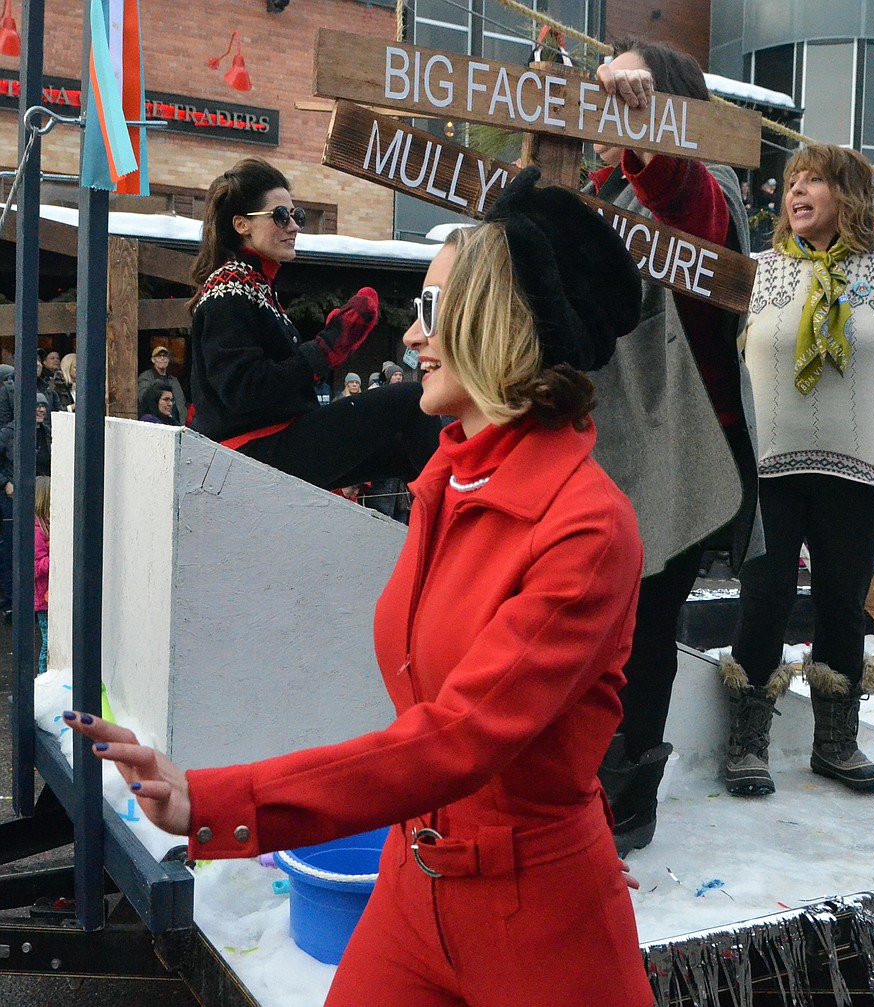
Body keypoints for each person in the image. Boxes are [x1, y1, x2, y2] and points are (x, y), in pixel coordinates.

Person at [63, 167, 654, 1007]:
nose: (413, 336)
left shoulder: (588, 526)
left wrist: (217, 798)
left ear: (501, 326)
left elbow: (455, 738)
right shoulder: (445, 479)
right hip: (415, 886)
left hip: (537, 921)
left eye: (434, 310)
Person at [582, 38, 764, 851]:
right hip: (612, 443)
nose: (614, 94)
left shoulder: (705, 174)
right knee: (594, 622)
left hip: (689, 450)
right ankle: (584, 782)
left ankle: (626, 800)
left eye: (637, 85)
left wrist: (646, 134)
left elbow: (696, 214)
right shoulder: (607, 185)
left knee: (645, 623)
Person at [719, 143, 874, 794]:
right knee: (766, 599)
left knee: (843, 606)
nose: (798, 191)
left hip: (861, 475)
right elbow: (723, 357)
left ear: (852, 195)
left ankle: (837, 745)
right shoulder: (755, 271)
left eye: (815, 180)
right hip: (768, 472)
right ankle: (745, 745)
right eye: (793, 182)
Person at [187, 157, 440, 490]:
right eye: (280, 216)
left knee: (399, 452)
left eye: (297, 216)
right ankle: (468, 526)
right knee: (411, 400)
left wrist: (324, 348)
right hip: (249, 453)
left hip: (269, 444)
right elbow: (243, 391)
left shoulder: (256, 287)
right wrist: (323, 350)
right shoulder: (229, 287)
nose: (293, 226)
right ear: (241, 225)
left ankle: (445, 524)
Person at [0, 393, 52, 621]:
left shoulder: (48, 433)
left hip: (42, 498)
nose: (41, 410)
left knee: (39, 550)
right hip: (14, 498)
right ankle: (12, 603)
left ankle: (35, 603)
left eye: (44, 406)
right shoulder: (9, 432)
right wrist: (5, 482)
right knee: (14, 549)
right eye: (37, 405)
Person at [137, 346, 187, 425]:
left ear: (168, 360)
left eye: (165, 356)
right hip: (157, 423)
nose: (162, 359)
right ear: (153, 360)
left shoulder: (174, 380)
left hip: (176, 423)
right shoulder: (145, 377)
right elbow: (145, 399)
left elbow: (182, 402)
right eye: (159, 356)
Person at [33, 475, 50, 676]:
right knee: (47, 640)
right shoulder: (37, 530)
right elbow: (35, 567)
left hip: (48, 595)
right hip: (42, 597)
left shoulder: (45, 526)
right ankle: (43, 676)